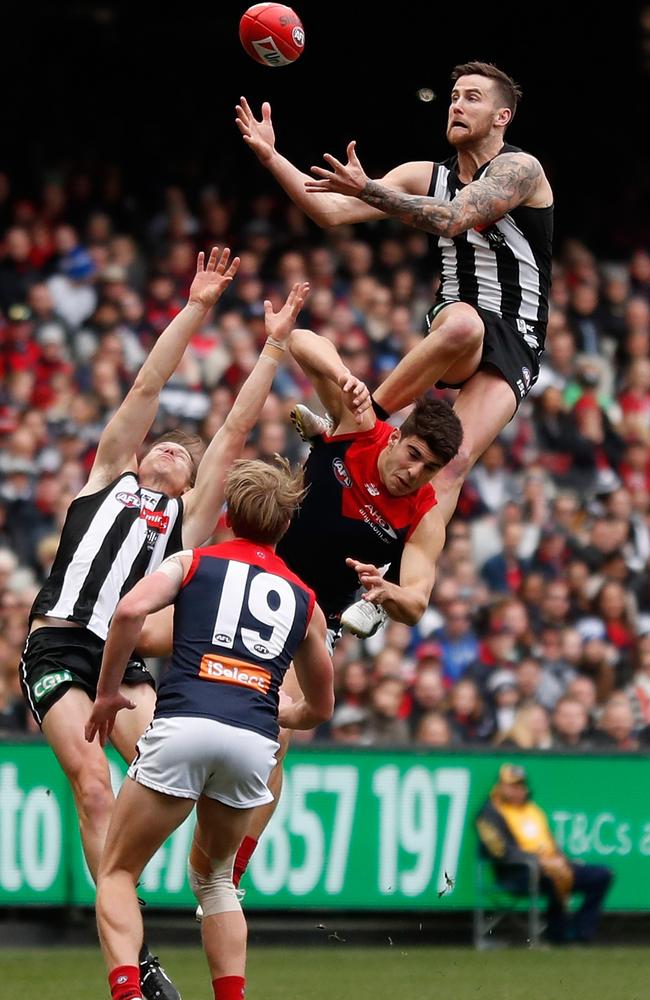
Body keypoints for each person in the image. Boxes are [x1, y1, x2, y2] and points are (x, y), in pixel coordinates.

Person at [19, 245, 310, 1000]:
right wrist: (197, 307)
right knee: (91, 784)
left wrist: (274, 346)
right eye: (165, 444)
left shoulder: (187, 523)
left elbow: (238, 432)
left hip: (131, 661)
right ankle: (137, 958)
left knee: (176, 752)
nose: (174, 448)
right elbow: (148, 384)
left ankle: (209, 878)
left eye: (186, 452)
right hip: (59, 644)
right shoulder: (108, 477)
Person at [140, 324, 462, 897]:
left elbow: (417, 597)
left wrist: (391, 596)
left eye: (429, 468)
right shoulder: (364, 427)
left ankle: (227, 875)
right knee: (140, 636)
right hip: (247, 570)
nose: (414, 473)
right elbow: (303, 338)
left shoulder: (425, 513)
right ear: (395, 437)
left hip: (306, 616)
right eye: (412, 456)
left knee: (275, 737)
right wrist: (346, 379)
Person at [236, 60, 553, 530]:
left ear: (501, 117)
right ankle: (357, 424)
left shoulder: (520, 169)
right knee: (465, 322)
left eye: (472, 98)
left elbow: (452, 218)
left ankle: (399, 589)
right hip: (458, 320)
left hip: (520, 335)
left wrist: (369, 188)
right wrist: (271, 156)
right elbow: (330, 211)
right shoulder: (423, 174)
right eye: (454, 97)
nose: (456, 106)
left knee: (453, 460)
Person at [85, 458, 334, 1000]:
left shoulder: (193, 562)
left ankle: (129, 992)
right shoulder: (304, 598)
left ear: (226, 514)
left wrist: (107, 693)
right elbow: (320, 705)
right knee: (217, 880)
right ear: (285, 526)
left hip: (185, 722)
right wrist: (283, 713)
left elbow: (127, 613)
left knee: (119, 872)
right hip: (252, 742)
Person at [476, 763, 613, 943]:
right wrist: (539, 862)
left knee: (602, 875)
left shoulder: (532, 810)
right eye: (511, 786)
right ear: (500, 786)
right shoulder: (489, 814)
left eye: (520, 785)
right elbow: (501, 852)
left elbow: (550, 842)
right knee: (555, 877)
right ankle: (558, 935)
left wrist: (562, 860)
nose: (517, 790)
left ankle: (582, 933)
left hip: (550, 866)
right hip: (517, 872)